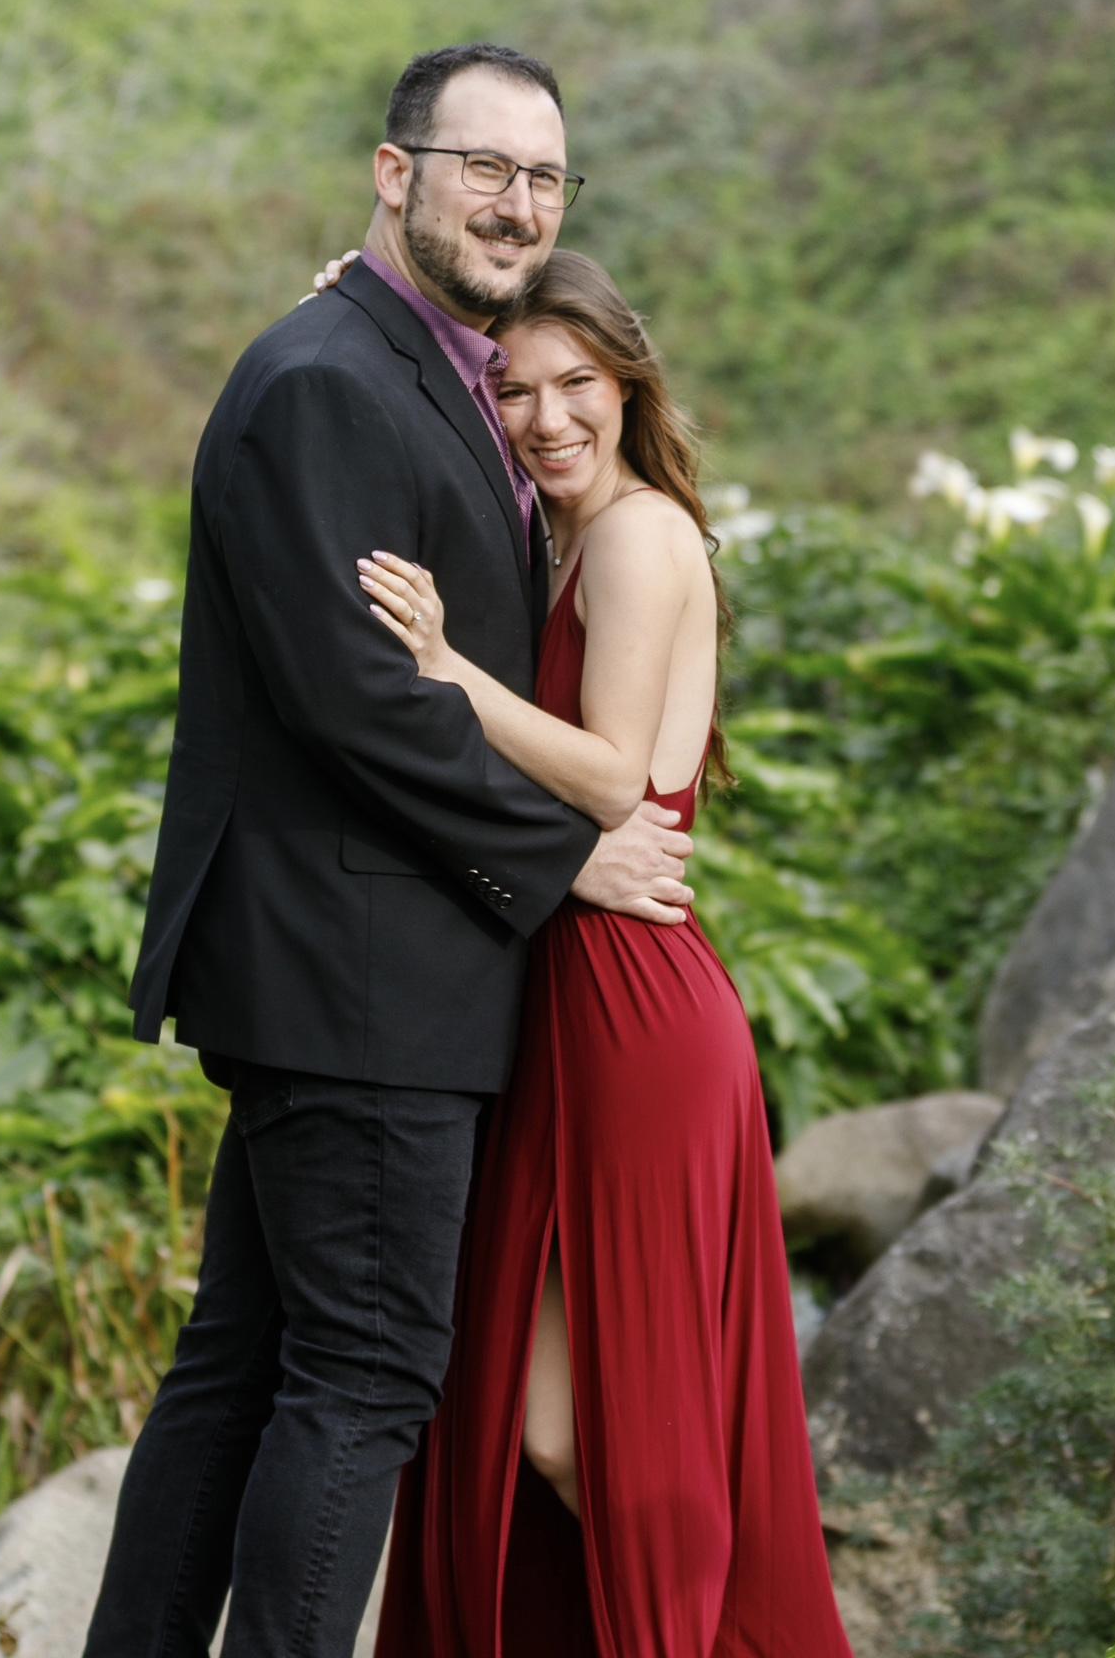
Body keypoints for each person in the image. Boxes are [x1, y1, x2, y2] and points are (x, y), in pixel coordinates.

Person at [82, 45, 699, 1658]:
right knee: (361, 1380)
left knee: (244, 1367)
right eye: (484, 167)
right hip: (360, 976)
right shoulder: (327, 381)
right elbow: (355, 696)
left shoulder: (421, 365)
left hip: (352, 973)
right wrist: (564, 859)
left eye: (544, 177)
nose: (517, 203)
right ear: (394, 171)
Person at [346, 249, 853, 1654]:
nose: (546, 417)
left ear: (629, 385)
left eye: (577, 384)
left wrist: (448, 671)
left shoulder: (635, 538)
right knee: (551, 1428)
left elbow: (619, 776)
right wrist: (366, 291)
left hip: (633, 1010)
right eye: (513, 390)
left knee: (620, 1436)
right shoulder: (569, 539)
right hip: (571, 999)